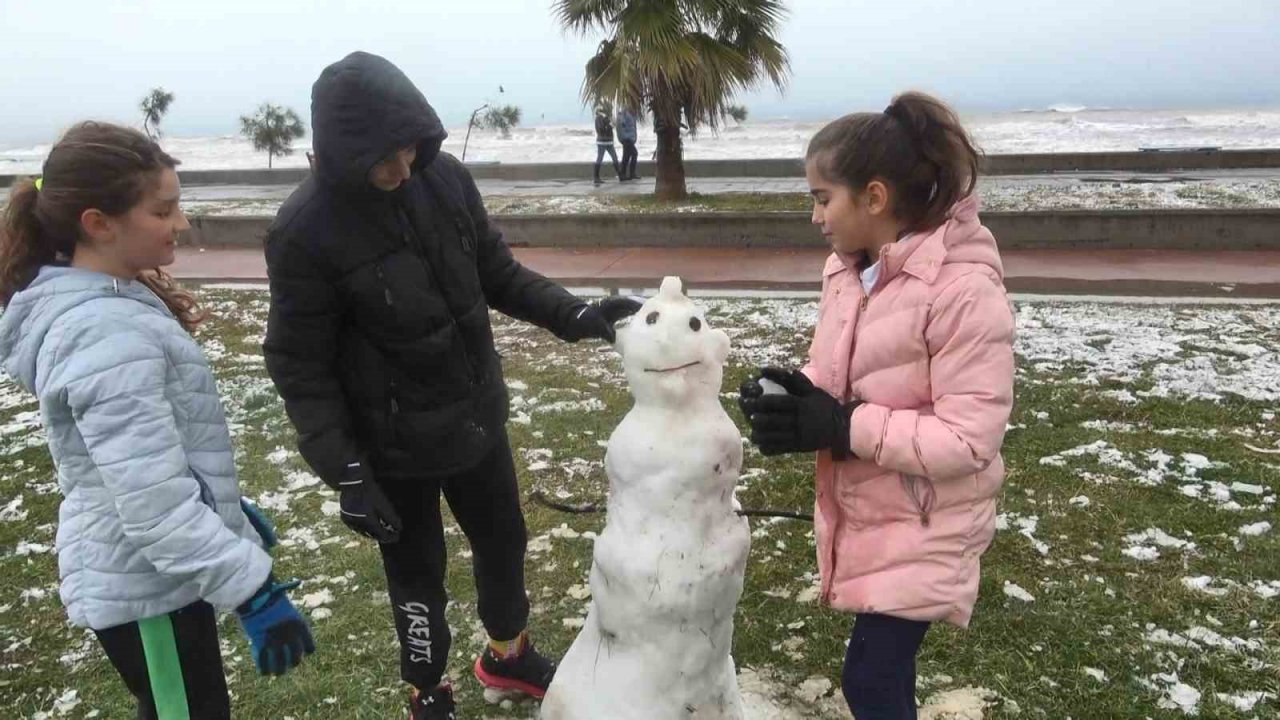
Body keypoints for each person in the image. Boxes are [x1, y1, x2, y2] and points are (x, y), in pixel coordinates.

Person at [262, 51, 640, 719]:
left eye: (408, 148)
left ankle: (508, 654)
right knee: (417, 577)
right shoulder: (303, 232)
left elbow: (497, 272)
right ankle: (427, 689)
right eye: (382, 158)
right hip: (391, 448)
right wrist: (344, 469)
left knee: (504, 541)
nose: (401, 169)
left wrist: (574, 314)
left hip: (473, 417)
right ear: (340, 151)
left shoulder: (445, 180)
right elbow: (299, 362)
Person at [0, 122, 314, 720]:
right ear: (99, 223)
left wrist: (221, 510)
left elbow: (144, 463)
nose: (182, 224)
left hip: (160, 579)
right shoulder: (104, 332)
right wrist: (253, 589)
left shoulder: (114, 303)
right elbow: (151, 507)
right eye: (163, 210)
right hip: (145, 590)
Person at [738, 92, 1015, 720]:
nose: (815, 217)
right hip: (873, 511)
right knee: (877, 676)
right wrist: (797, 391)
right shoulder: (847, 271)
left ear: (875, 197)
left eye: (821, 197)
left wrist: (840, 425)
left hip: (928, 517)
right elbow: (843, 372)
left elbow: (970, 440)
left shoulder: (963, 291)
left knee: (870, 679)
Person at [593, 103, 623, 186]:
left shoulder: (607, 118)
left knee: (615, 157)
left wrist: (610, 124)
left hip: (609, 141)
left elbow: (609, 126)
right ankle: (596, 177)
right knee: (600, 158)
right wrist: (609, 125)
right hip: (602, 142)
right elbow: (601, 129)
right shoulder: (599, 118)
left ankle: (620, 175)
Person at [616, 107, 639, 181]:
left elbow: (633, 127)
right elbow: (621, 122)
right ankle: (630, 174)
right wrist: (623, 136)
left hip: (630, 138)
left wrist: (634, 138)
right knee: (634, 153)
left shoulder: (632, 114)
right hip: (626, 138)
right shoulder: (625, 113)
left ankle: (623, 174)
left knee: (626, 156)